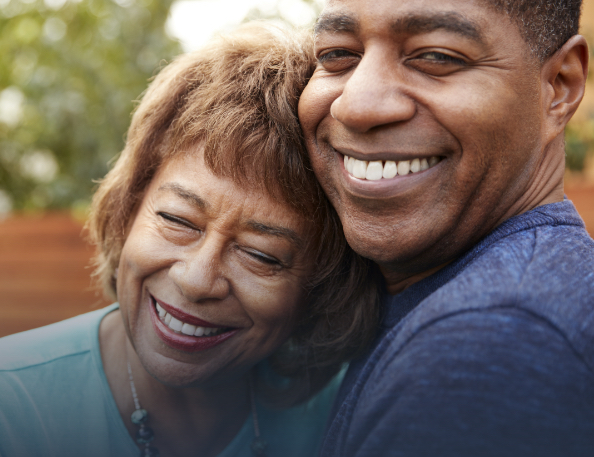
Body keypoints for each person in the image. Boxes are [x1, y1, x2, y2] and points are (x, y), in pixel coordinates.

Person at [0, 23, 381, 457]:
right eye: (178, 220)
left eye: (260, 254)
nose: (198, 280)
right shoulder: (12, 403)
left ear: (322, 287)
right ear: (129, 208)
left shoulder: (347, 409)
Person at [298, 0, 594, 455]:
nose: (356, 105)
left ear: (559, 86)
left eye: (435, 56)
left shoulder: (489, 351)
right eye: (337, 54)